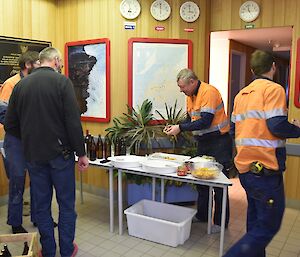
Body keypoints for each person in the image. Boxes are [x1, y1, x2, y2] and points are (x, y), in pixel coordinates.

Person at [4, 47, 89, 257]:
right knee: (66, 205)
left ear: (40, 62)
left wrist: (30, 140)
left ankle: (48, 251)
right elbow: (72, 122)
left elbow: (10, 125)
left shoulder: (21, 86)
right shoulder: (62, 83)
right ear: (57, 61)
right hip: (61, 156)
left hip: (34, 157)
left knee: (41, 207)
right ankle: (67, 250)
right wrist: (82, 153)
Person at [224, 50, 300, 257]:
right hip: (265, 171)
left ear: (251, 70)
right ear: (273, 67)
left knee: (255, 220)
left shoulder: (241, 95)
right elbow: (276, 125)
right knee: (267, 226)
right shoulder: (273, 90)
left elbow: (233, 130)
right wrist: (296, 129)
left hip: (246, 171)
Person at [164, 68, 232, 233]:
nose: (181, 90)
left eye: (183, 87)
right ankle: (202, 216)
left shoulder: (208, 92)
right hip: (203, 143)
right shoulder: (191, 96)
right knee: (201, 182)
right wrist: (176, 126)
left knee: (219, 185)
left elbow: (205, 122)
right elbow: (191, 119)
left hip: (219, 143)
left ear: (192, 82)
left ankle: (220, 223)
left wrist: (180, 128)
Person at [0, 51, 40, 234]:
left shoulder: (36, 83)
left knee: (38, 180)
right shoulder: (11, 84)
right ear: (28, 66)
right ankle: (15, 223)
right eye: (38, 64)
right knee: (17, 181)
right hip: (15, 140)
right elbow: (4, 114)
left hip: (32, 140)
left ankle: (38, 217)